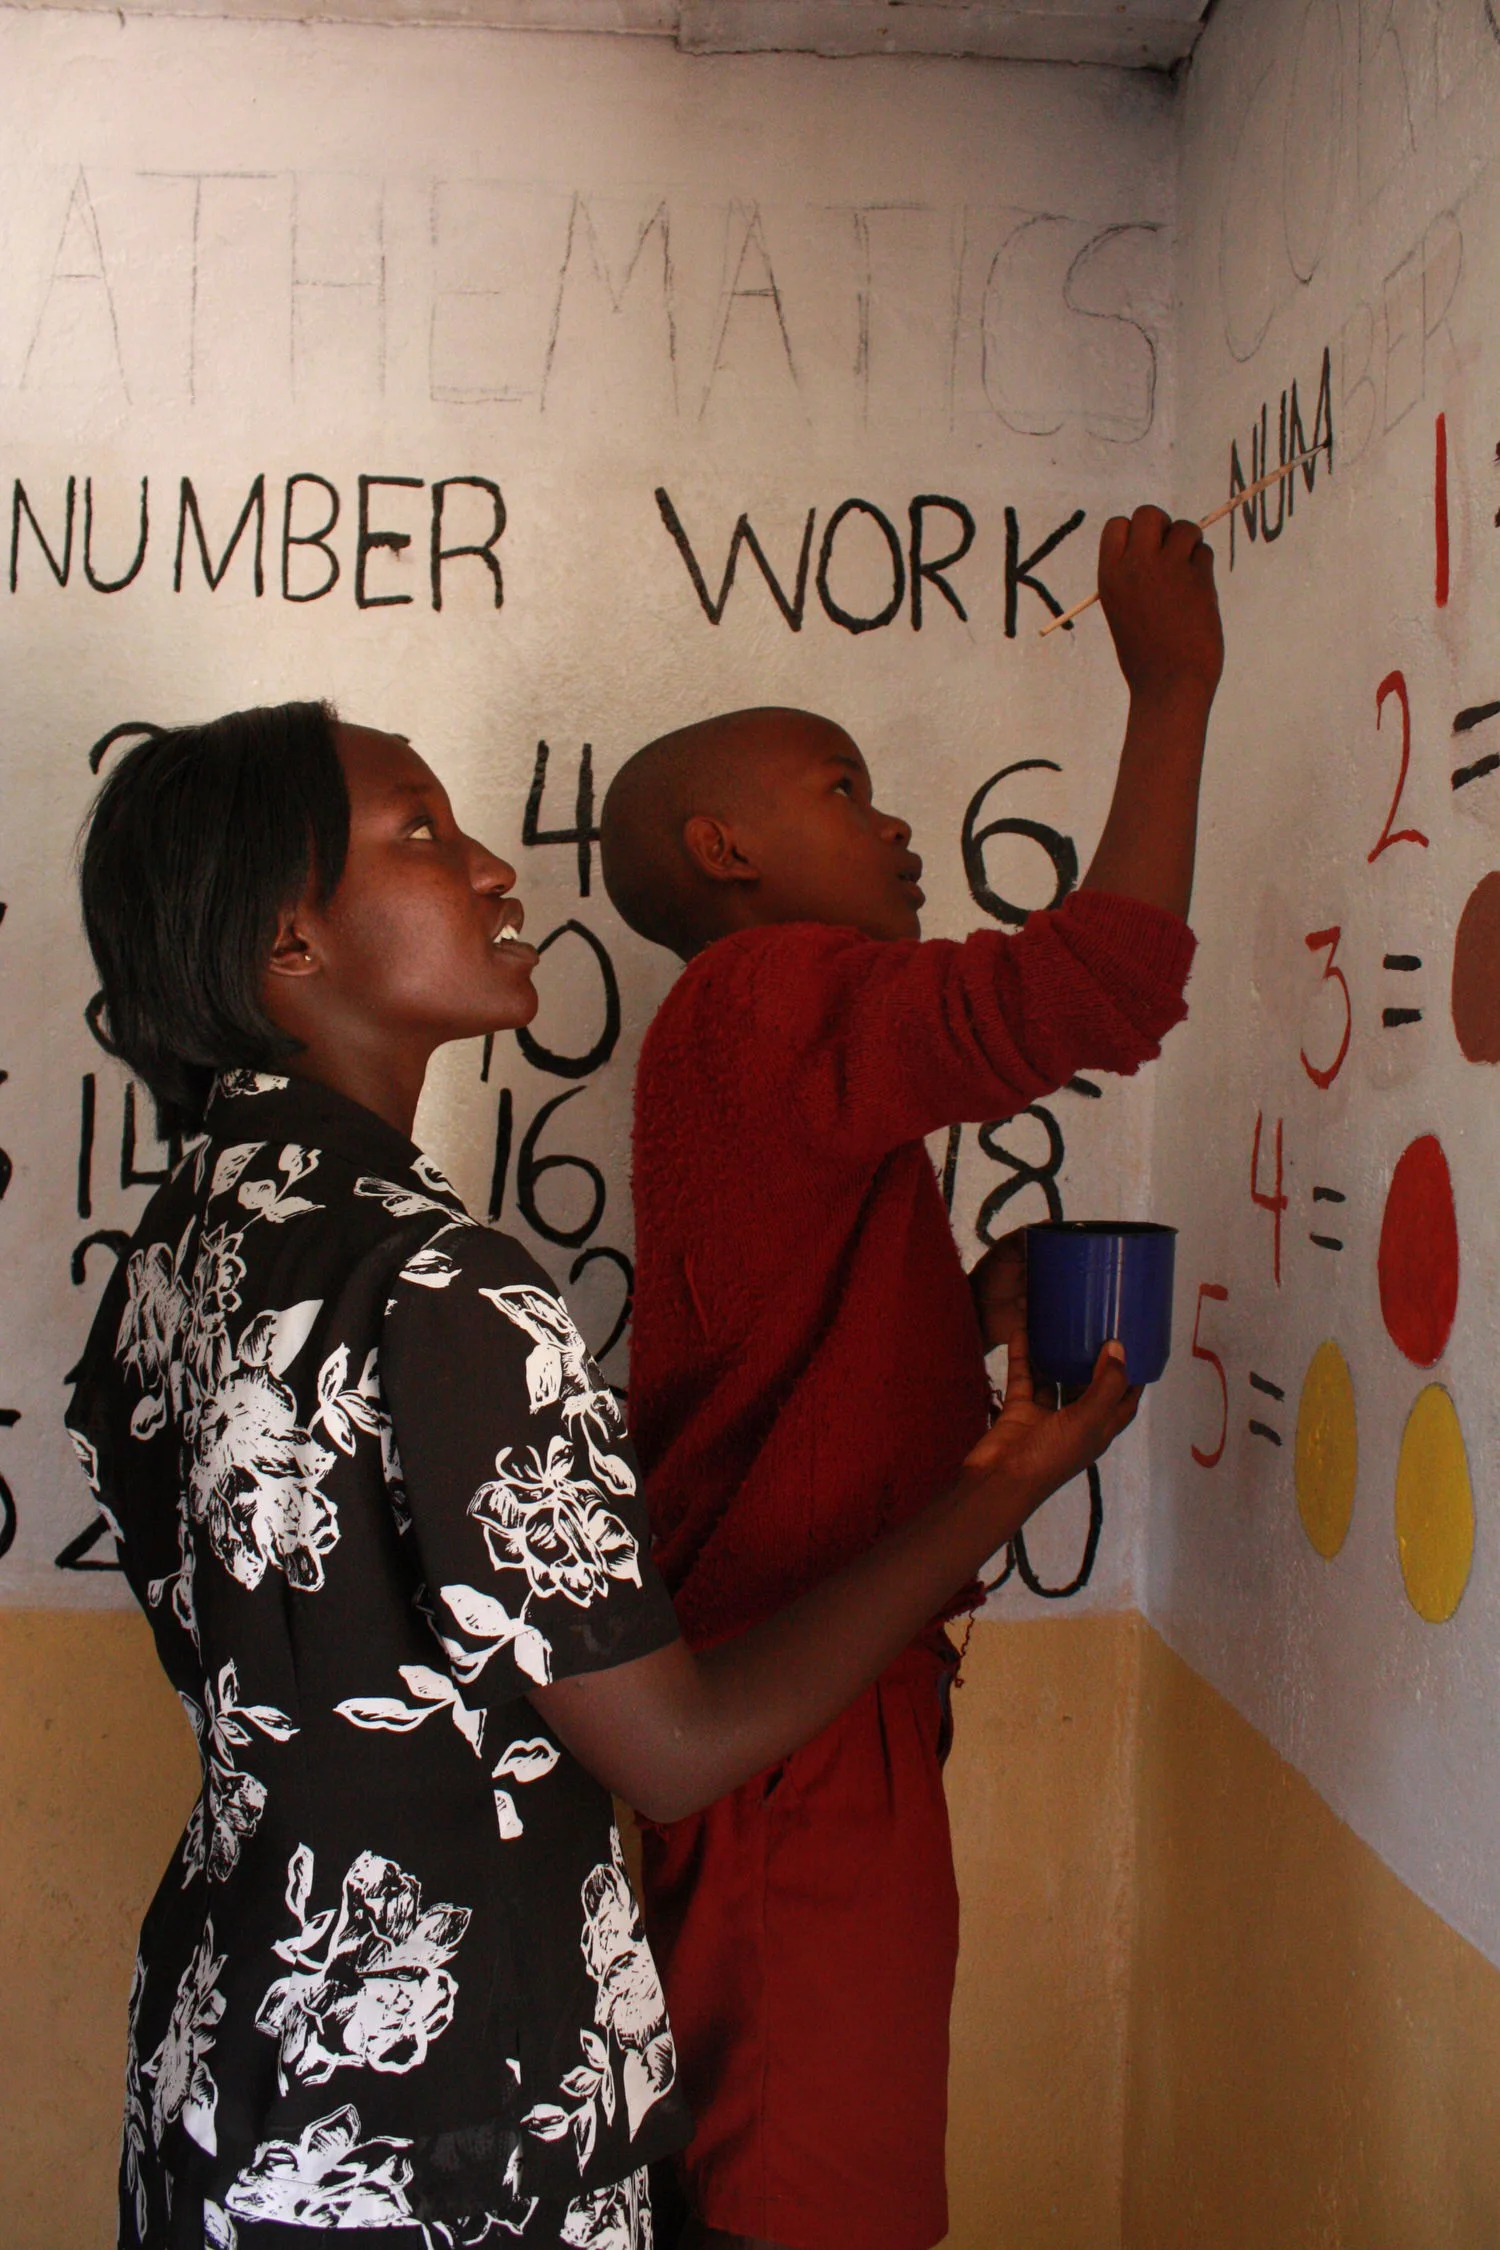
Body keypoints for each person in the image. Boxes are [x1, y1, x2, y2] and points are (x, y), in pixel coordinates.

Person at [65, 703, 1141, 2250]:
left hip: (228, 2068)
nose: (494, 867)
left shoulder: (184, 1244)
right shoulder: (440, 1282)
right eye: (420, 830)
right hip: (446, 2118)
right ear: (288, 941)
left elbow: (382, 1581)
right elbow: (675, 1747)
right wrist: (1004, 1480)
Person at [598, 506, 1224, 2250]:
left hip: (805, 1706)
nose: (895, 826)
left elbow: (783, 1369)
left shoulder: (755, 1045)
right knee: (816, 2204)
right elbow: (1089, 990)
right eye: (845, 786)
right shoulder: (758, 996)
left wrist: (957, 1312)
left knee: (787, 2176)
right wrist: (1172, 688)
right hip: (799, 1738)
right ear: (725, 847)